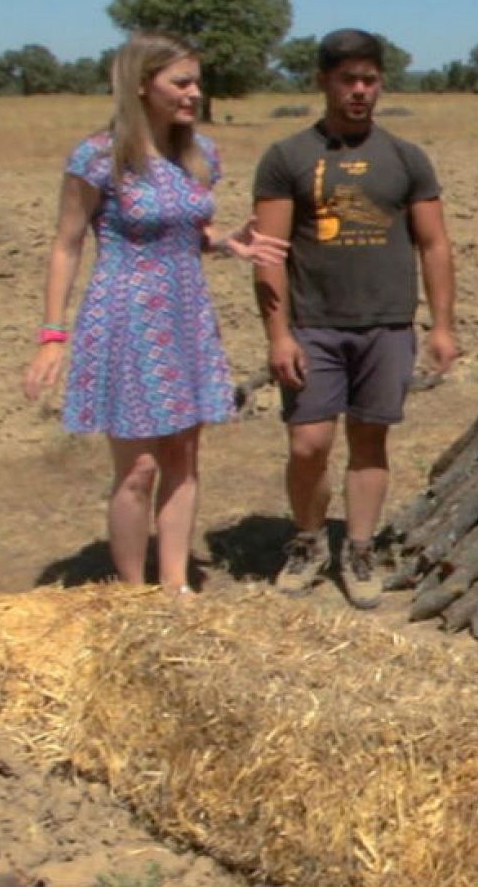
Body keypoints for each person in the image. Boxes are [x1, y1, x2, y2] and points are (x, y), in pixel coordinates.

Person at [23, 33, 288, 599]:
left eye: (197, 81)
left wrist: (226, 244)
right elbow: (67, 244)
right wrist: (52, 336)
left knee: (182, 458)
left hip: (186, 315)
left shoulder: (202, 155)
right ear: (142, 84)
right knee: (138, 467)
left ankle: (174, 589)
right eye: (181, 82)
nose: (195, 93)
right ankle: (133, 593)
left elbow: (189, 233)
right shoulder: (97, 156)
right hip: (124, 317)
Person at [252, 28, 459, 609]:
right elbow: (269, 253)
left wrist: (442, 326)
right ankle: (309, 540)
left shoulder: (406, 158)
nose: (360, 91)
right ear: (323, 82)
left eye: (370, 79)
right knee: (308, 444)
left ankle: (360, 548)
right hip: (312, 325)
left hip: (387, 324)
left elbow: (435, 245)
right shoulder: (287, 157)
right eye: (348, 80)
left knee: (370, 441)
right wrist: (278, 334)